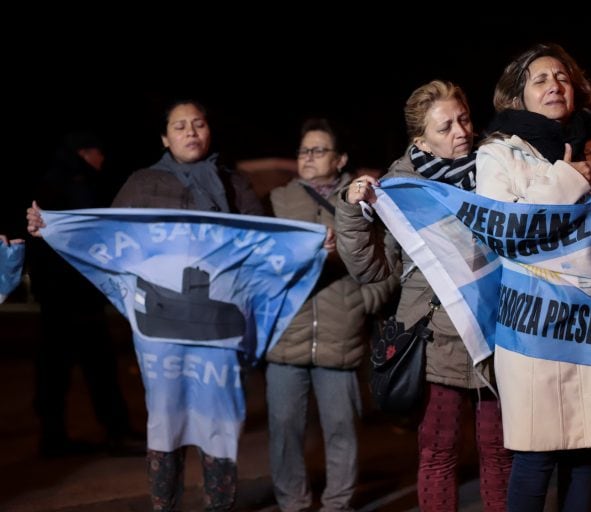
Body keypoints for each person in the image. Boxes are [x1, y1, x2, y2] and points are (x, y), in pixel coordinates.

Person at [27, 100, 264, 511]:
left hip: (219, 331)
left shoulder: (234, 183)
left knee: (220, 423)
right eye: (179, 126)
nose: (190, 132)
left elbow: (265, 244)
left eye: (199, 124)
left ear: (209, 131)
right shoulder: (142, 184)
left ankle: (219, 505)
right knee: (166, 418)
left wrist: (313, 242)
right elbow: (107, 239)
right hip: (162, 331)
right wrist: (55, 228)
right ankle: (164, 505)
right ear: (164, 138)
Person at [476, 43, 591, 511]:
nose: (553, 85)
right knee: (535, 456)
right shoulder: (497, 154)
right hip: (534, 329)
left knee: (583, 453)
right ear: (517, 97)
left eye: (561, 77)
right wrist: (568, 178)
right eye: (539, 79)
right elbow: (506, 231)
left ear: (576, 89)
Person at [336, 80, 512, 511]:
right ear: (421, 139)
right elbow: (375, 269)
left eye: (463, 118)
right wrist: (352, 211)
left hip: (500, 327)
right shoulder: (401, 187)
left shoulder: (497, 167)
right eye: (445, 126)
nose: (461, 131)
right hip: (436, 337)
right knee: (438, 452)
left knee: (502, 452)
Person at [264, 118, 398, 511]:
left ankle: (337, 504)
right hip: (287, 331)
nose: (308, 158)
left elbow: (391, 256)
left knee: (342, 429)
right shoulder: (277, 201)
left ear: (339, 159)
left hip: (342, 331)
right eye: (304, 150)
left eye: (318, 150)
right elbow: (260, 263)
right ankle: (292, 503)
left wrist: (365, 301)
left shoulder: (367, 198)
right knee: (284, 429)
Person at [27, 132, 142, 458]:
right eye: (100, 154)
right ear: (86, 152)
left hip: (56, 292)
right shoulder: (76, 182)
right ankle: (115, 431)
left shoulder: (53, 178)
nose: (103, 161)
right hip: (73, 293)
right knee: (97, 364)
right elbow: (88, 234)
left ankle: (53, 437)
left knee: (56, 367)